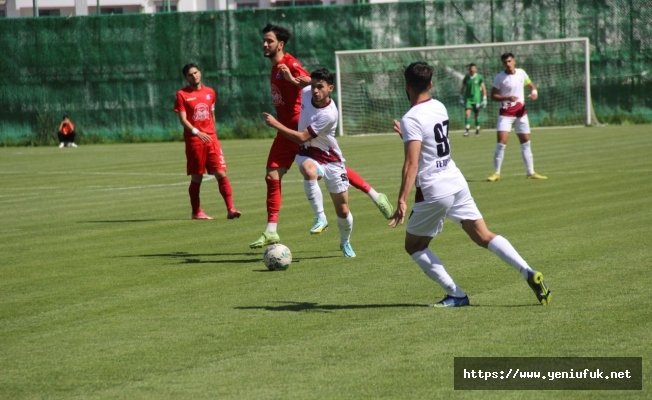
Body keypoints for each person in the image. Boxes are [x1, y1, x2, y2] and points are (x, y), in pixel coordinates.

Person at [389, 61, 550, 307]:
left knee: (414, 246)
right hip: (456, 181)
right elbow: (431, 142)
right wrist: (409, 135)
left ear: (406, 86)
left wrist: (401, 199)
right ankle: (527, 270)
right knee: (484, 235)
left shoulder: (411, 117)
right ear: (431, 84)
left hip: (434, 189)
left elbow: (412, 164)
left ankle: (456, 294)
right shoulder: (439, 106)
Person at [249, 24, 393, 249]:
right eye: (264, 40)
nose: (265, 44)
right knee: (272, 176)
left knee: (331, 167)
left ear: (281, 44)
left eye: (269, 40)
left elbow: (311, 81)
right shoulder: (275, 66)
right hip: (285, 131)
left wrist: (294, 80)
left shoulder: (289, 63)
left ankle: (373, 195)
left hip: (299, 128)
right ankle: (271, 231)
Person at [263, 68, 356, 258]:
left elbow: (301, 137)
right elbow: (304, 85)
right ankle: (320, 217)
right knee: (308, 170)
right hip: (308, 155)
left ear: (330, 88)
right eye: (313, 86)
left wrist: (276, 124)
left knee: (343, 210)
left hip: (331, 160)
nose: (315, 90)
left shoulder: (328, 114)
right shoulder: (307, 91)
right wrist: (291, 78)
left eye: (320, 87)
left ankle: (345, 242)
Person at [174, 63, 241, 220]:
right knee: (197, 177)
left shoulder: (210, 92)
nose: (194, 76)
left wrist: (212, 133)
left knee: (220, 172)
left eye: (196, 73)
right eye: (190, 74)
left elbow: (212, 114)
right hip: (195, 140)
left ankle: (231, 209)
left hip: (211, 140)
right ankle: (196, 212)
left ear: (200, 73)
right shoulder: (182, 94)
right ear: (186, 78)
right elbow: (183, 120)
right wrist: (197, 132)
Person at [487, 53, 547, 182]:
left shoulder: (521, 73)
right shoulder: (500, 77)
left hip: (521, 113)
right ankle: (496, 173)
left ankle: (530, 172)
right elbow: (493, 96)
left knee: (526, 142)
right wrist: (506, 98)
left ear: (514, 61)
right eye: (505, 62)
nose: (508, 64)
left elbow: (531, 86)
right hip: (506, 114)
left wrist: (534, 93)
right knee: (501, 143)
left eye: (509, 61)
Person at [459, 63, 487, 137]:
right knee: (467, 113)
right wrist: (460, 97)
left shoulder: (479, 77)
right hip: (468, 98)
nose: (472, 69)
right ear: (469, 69)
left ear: (476, 69)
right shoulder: (466, 78)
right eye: (471, 68)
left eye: (473, 68)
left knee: (476, 114)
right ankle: (467, 131)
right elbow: (463, 87)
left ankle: (477, 130)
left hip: (476, 99)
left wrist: (484, 98)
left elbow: (483, 87)